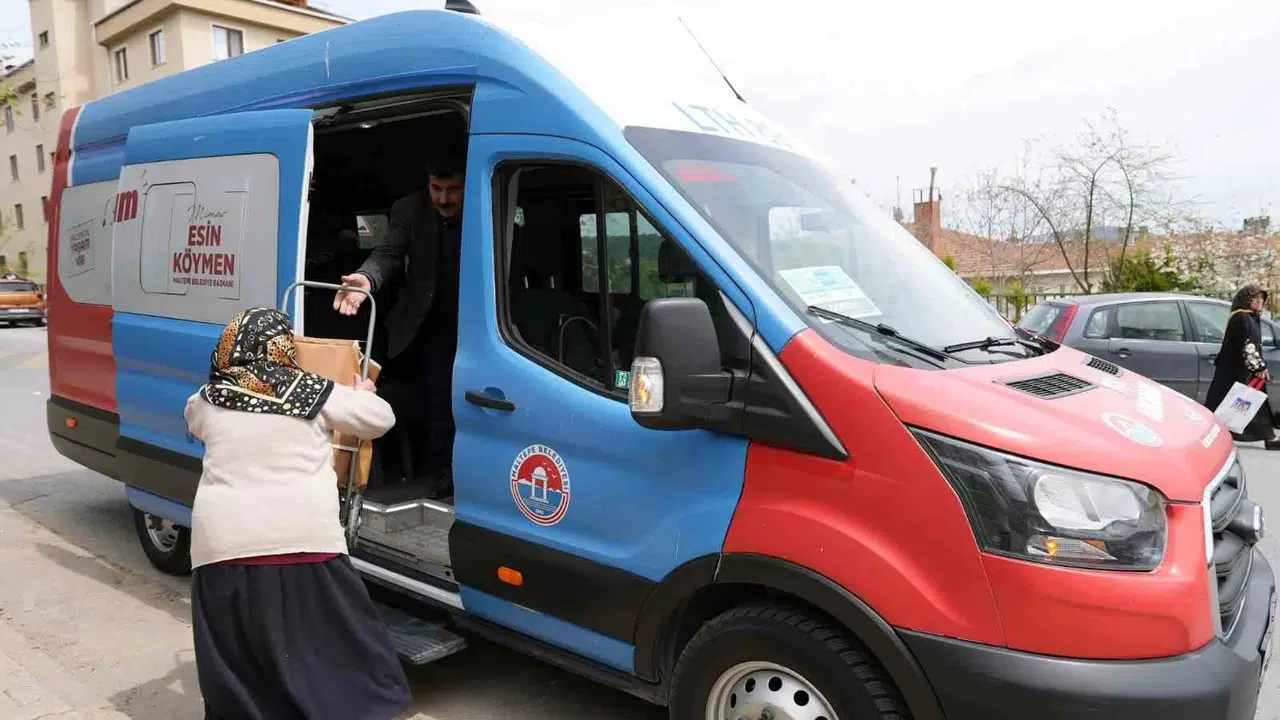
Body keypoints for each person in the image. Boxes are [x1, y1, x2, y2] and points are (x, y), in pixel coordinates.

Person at [184, 307, 413, 720]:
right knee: (336, 651)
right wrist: (362, 394)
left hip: (222, 548)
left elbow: (195, 426)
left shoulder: (205, 400)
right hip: (305, 542)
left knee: (242, 666)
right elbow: (382, 420)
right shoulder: (314, 392)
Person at [333, 149, 465, 499]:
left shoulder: (489, 201)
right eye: (436, 188)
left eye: (453, 189)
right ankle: (444, 474)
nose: (444, 198)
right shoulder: (409, 209)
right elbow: (388, 254)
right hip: (428, 322)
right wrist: (365, 279)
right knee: (438, 401)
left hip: (476, 322)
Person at [1203, 283, 1280, 450]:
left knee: (1247, 401)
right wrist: (1259, 368)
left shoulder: (1251, 317)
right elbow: (1247, 345)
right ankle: (1211, 431)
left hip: (1243, 370)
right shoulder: (1241, 318)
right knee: (1229, 400)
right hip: (1235, 370)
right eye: (1255, 297)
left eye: (1261, 298)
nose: (1259, 301)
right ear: (1246, 299)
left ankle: (1267, 435)